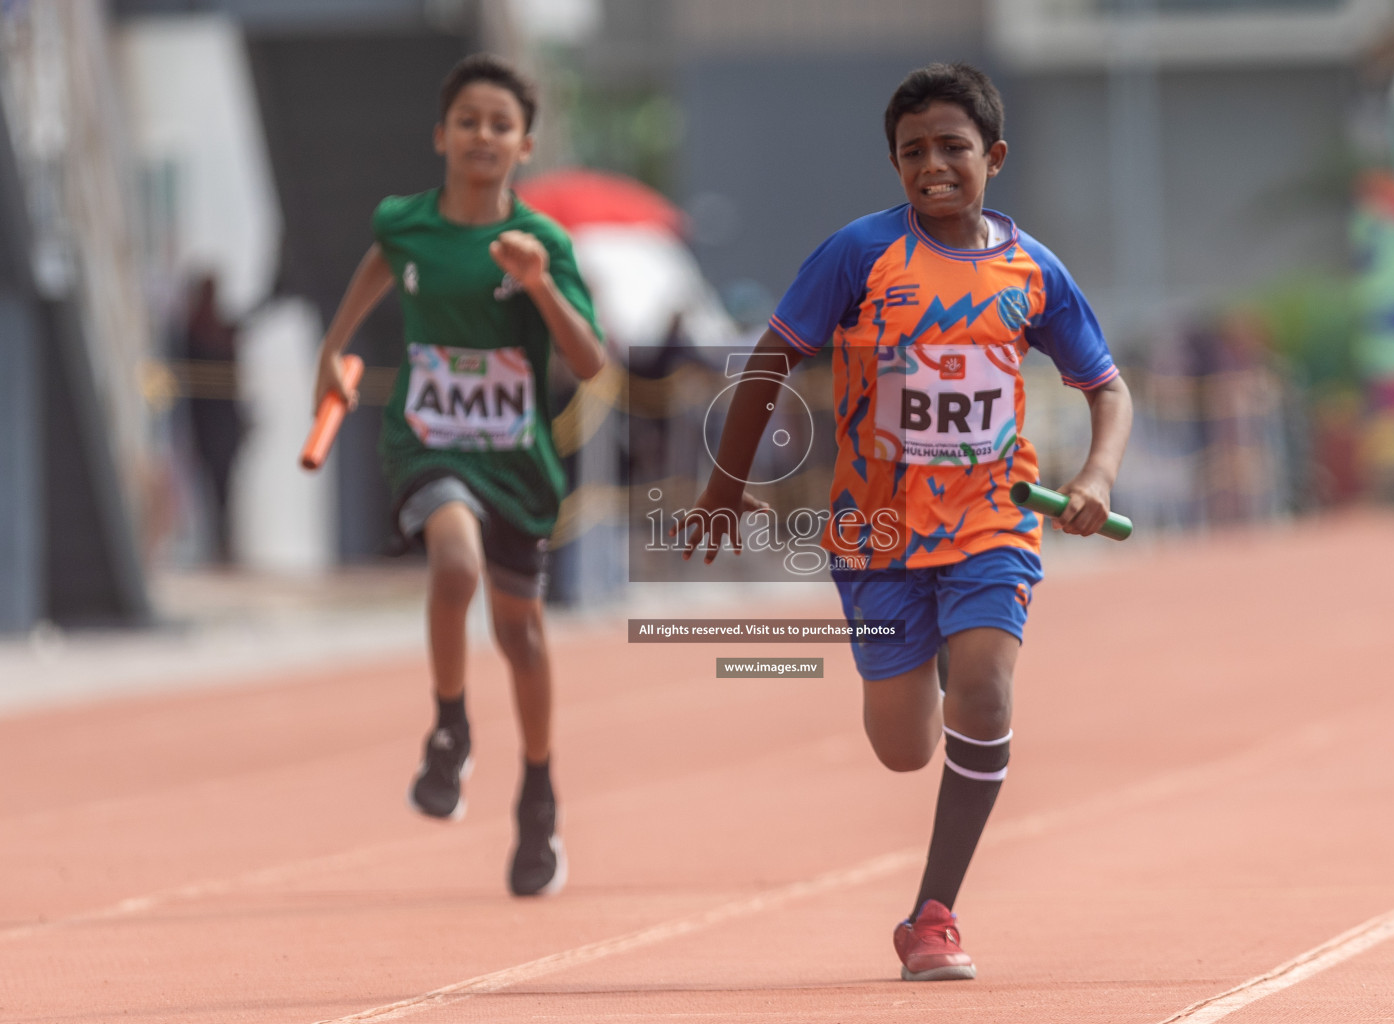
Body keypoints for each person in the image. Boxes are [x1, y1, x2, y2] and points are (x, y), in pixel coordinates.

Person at [682, 62, 1132, 979]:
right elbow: (770, 359)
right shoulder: (858, 254)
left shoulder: (1031, 270)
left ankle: (932, 915)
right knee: (901, 749)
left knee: (985, 690)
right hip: (876, 536)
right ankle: (931, 647)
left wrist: (1096, 472)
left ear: (992, 157)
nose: (933, 165)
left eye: (952, 148)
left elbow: (1106, 387)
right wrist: (724, 485)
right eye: (912, 152)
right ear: (893, 165)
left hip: (990, 524)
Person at [311, 53, 605, 897]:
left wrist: (539, 286)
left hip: (515, 460)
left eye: (501, 125)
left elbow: (587, 362)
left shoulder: (544, 242)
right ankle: (449, 729)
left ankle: (538, 791)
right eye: (469, 121)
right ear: (442, 135)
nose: (484, 135)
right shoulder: (405, 221)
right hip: (427, 442)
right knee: (454, 564)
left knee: (521, 636)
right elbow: (383, 262)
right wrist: (334, 348)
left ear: (525, 145)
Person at [180, 273, 245, 565]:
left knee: (225, 489)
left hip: (226, 422)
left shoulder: (222, 329)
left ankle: (223, 545)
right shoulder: (193, 332)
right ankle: (213, 546)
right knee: (209, 488)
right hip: (206, 424)